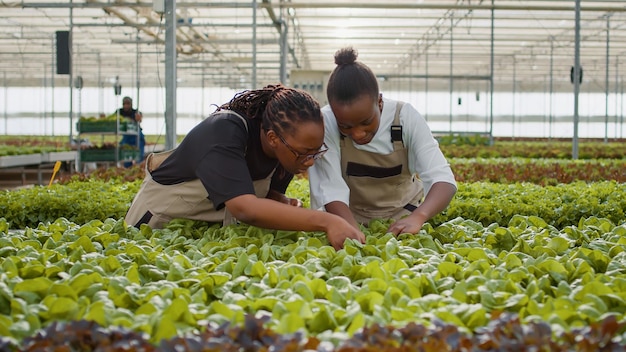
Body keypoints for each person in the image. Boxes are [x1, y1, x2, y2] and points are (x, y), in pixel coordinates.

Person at [125, 84, 366, 250]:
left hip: (200, 237)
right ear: (273, 138)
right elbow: (245, 208)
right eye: (304, 153)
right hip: (154, 229)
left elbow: (266, 194)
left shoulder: (284, 153)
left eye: (316, 152)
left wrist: (282, 203)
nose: (310, 161)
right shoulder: (224, 131)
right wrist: (327, 221)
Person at [308, 47, 457, 236]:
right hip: (349, 217)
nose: (358, 134)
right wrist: (352, 231)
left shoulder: (404, 118)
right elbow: (330, 188)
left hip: (405, 216)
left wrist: (418, 217)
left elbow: (442, 179)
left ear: (379, 102)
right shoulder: (327, 121)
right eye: (345, 126)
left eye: (366, 122)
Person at [117, 96, 146, 162]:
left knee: (139, 155)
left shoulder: (135, 112)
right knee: (126, 155)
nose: (126, 106)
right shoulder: (119, 112)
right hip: (127, 137)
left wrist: (138, 119)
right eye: (124, 104)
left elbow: (140, 119)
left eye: (128, 104)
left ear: (131, 104)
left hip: (137, 136)